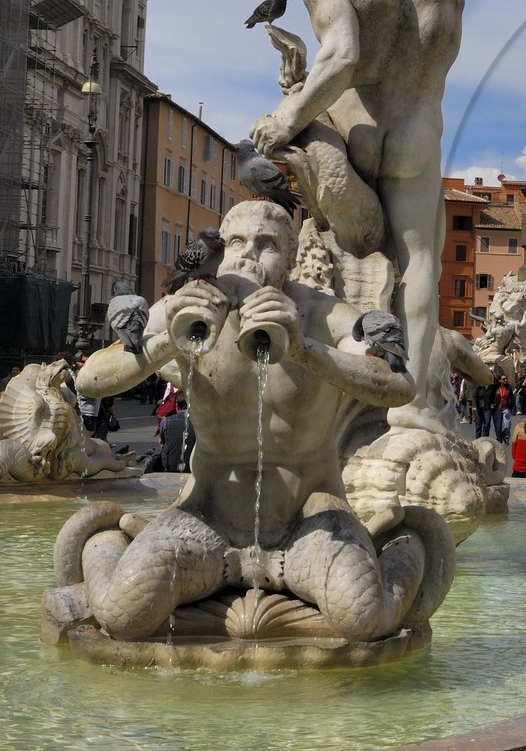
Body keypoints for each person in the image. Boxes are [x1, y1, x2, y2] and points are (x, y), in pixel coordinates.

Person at [75, 200, 425, 641]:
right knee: (124, 616)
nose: (247, 256)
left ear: (291, 257)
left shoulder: (321, 313)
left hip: (308, 518)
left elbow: (399, 386)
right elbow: (90, 380)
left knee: (364, 618)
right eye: (236, 242)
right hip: (208, 516)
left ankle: (405, 546)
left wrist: (302, 349)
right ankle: (105, 544)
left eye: (267, 245)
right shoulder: (188, 302)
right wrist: (171, 341)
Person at [249, 0, 464, 436]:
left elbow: (341, 57)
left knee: (336, 263)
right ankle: (414, 407)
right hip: (419, 126)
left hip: (354, 127)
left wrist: (287, 115)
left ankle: (323, 398)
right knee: (420, 264)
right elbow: (439, 59)